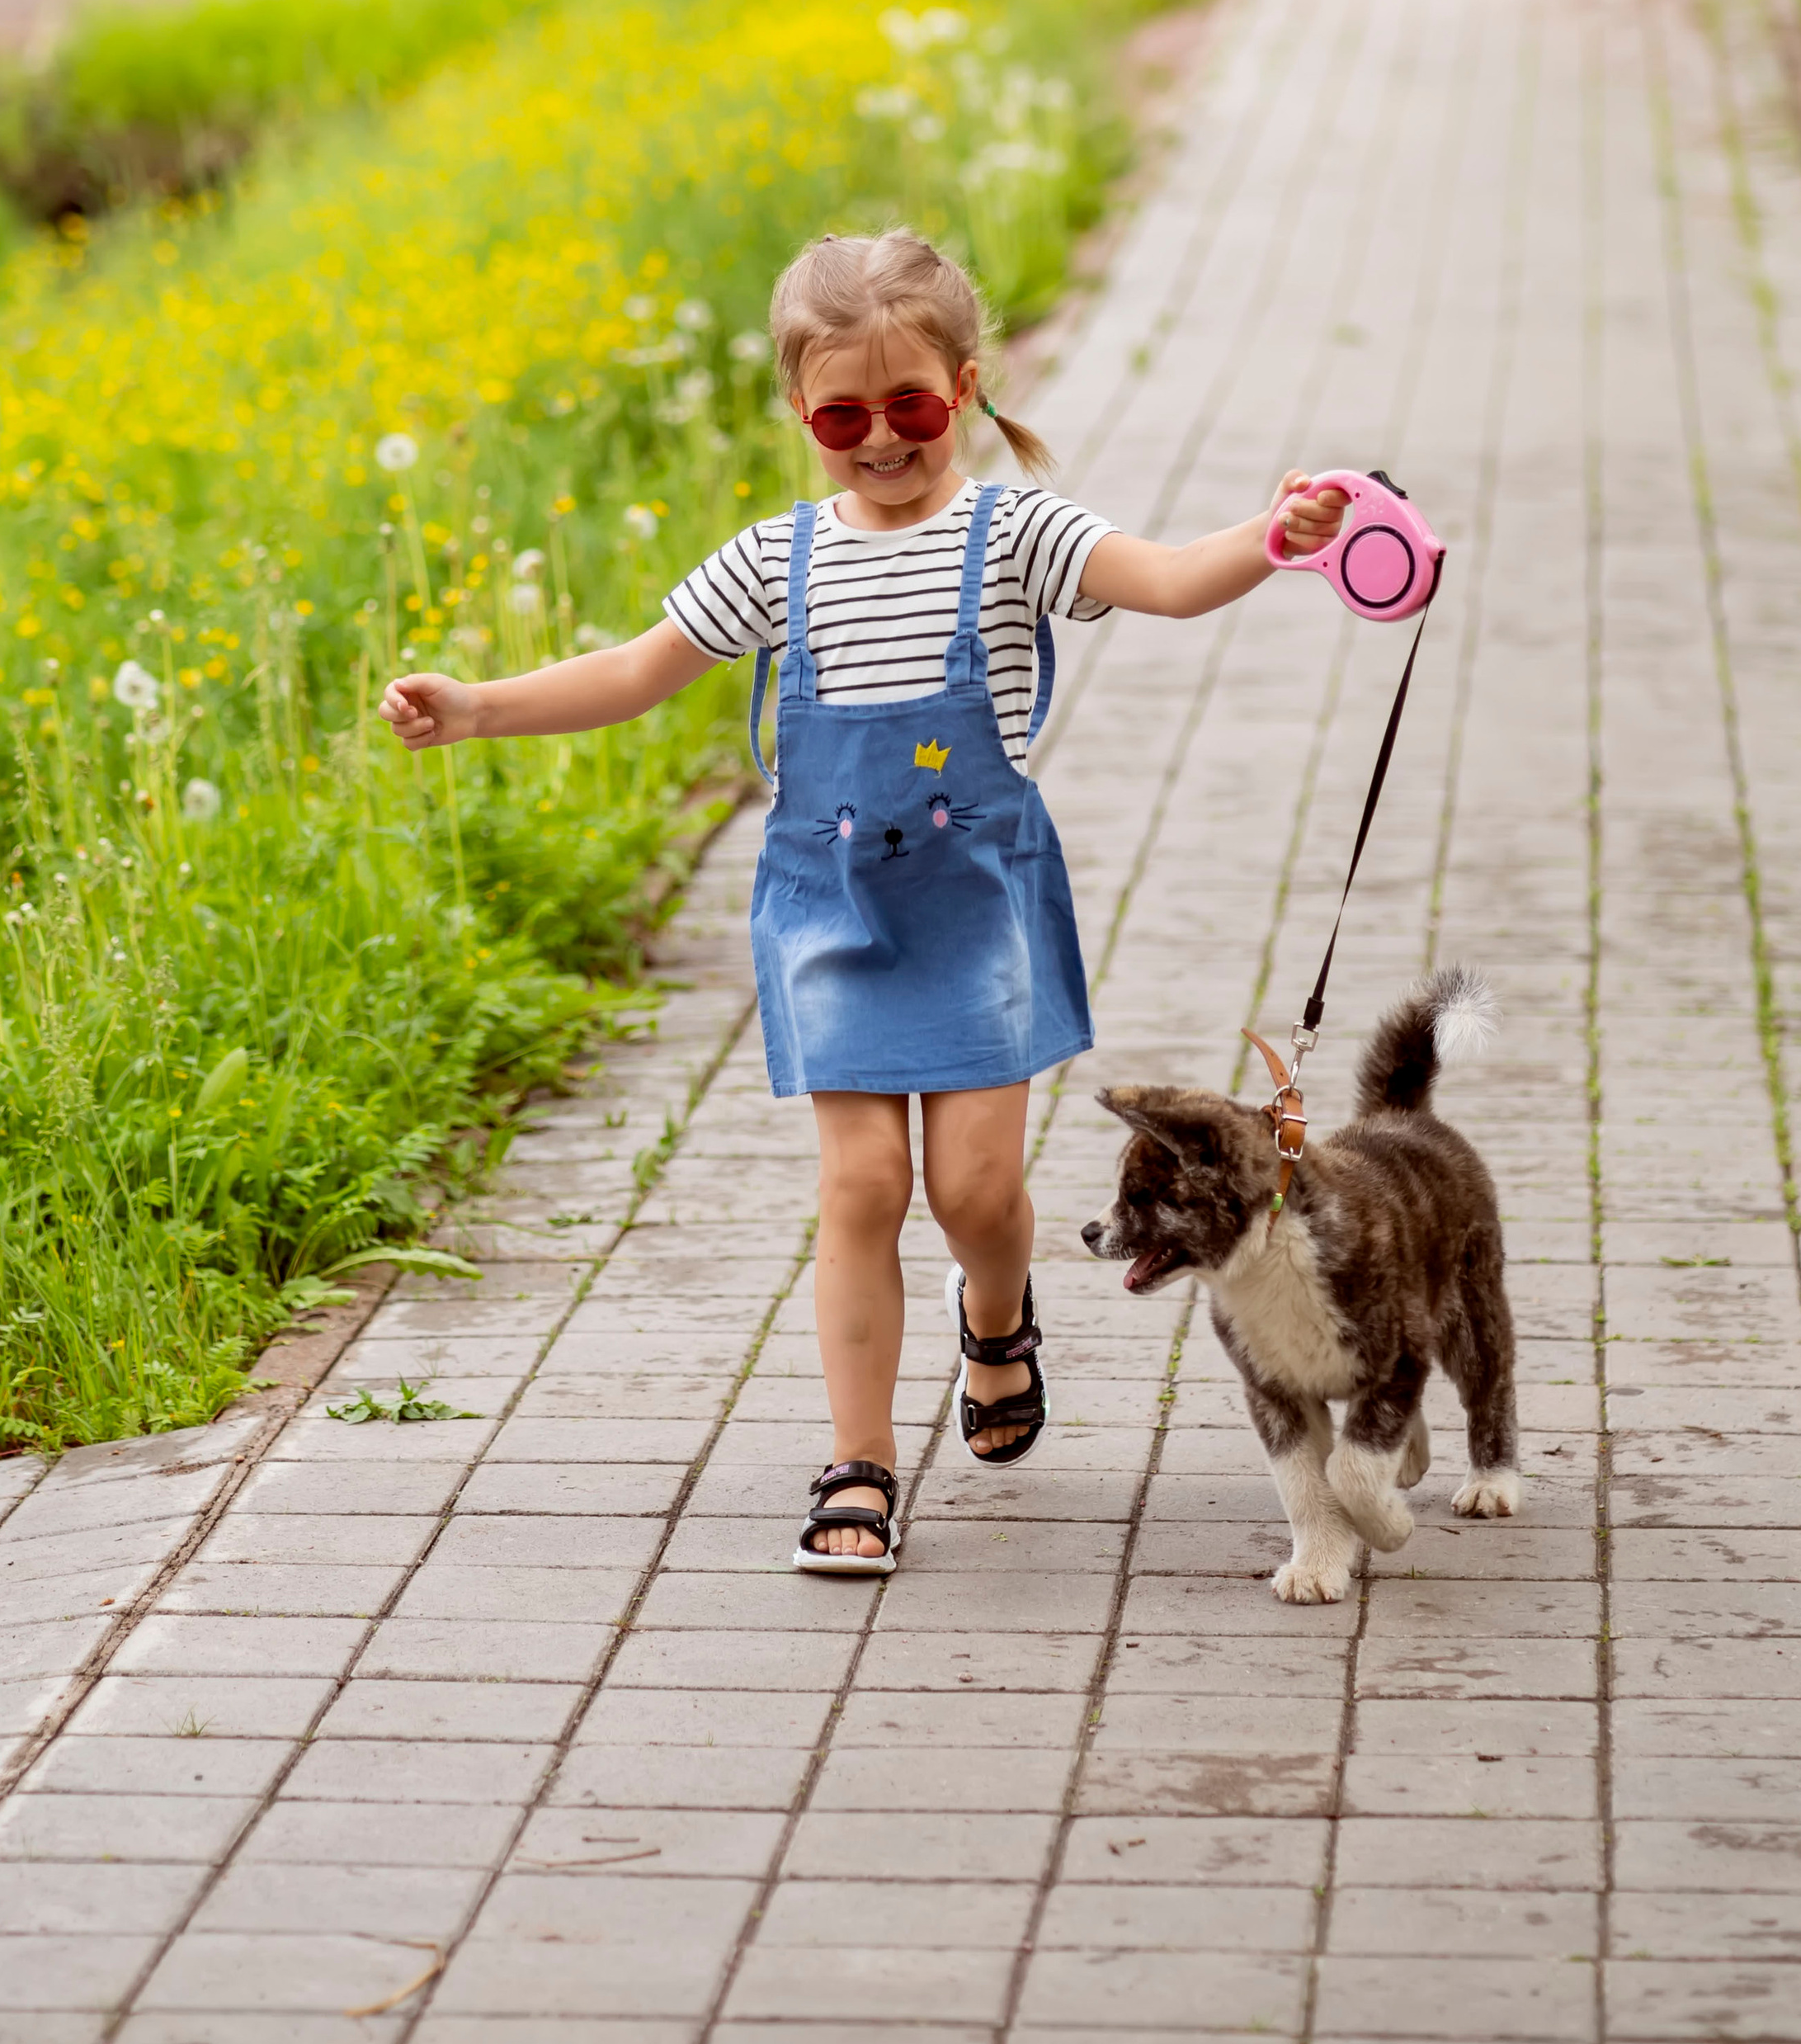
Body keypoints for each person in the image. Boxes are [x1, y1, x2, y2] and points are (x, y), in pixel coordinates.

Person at [380, 227, 1344, 1575]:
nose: (881, 440)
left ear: (965, 386)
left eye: (913, 408)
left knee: (976, 1186)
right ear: (800, 412)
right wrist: (478, 707)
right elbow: (638, 668)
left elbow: (1174, 581)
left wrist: (1278, 533)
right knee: (864, 1185)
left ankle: (997, 1321)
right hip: (830, 913)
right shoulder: (776, 559)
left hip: (979, 908)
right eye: (844, 415)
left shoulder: (1018, 533)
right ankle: (861, 1465)